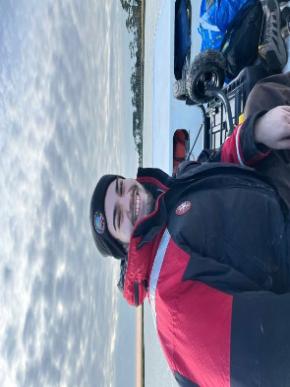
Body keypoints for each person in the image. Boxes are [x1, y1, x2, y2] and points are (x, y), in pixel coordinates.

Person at [90, 73, 290, 387]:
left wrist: (257, 133)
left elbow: (218, 162)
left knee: (263, 99)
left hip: (276, 199)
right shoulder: (174, 310)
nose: (127, 200)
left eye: (120, 187)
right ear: (123, 246)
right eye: (118, 217)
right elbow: (264, 359)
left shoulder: (170, 195)